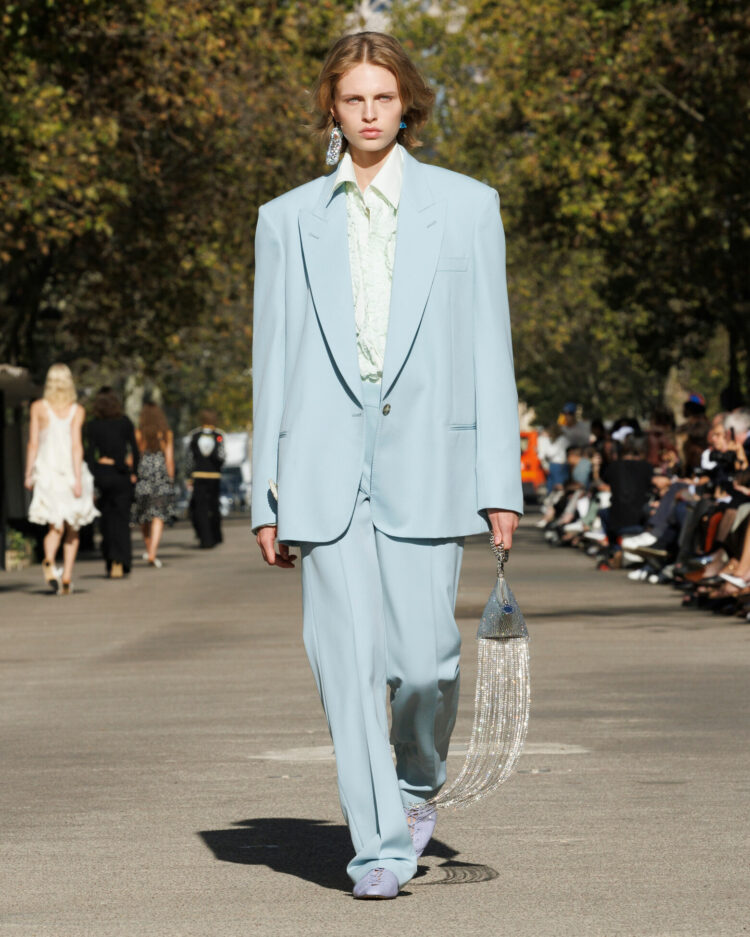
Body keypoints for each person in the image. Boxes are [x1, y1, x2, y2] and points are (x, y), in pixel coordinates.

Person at [251, 32, 522, 899]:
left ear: (407, 103)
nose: (369, 114)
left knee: (426, 664)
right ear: (331, 109)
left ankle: (412, 786)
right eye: (352, 100)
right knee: (348, 668)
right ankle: (377, 848)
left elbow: (490, 349)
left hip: (429, 469)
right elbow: (274, 355)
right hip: (324, 474)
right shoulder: (287, 218)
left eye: (383, 98)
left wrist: (499, 483)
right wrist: (265, 489)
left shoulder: (468, 207)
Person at [24, 364, 99, 594]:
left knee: (54, 527)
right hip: (68, 473)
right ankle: (66, 576)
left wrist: (29, 473)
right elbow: (77, 446)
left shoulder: (38, 408)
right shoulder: (77, 410)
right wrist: (78, 479)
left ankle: (48, 560)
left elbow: (33, 443)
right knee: (72, 529)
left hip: (47, 472)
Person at [85, 387, 139, 578]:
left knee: (107, 521)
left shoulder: (94, 425)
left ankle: (111, 558)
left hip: (103, 475)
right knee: (122, 521)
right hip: (121, 475)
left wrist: (93, 475)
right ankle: (122, 559)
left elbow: (89, 454)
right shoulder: (124, 422)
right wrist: (134, 473)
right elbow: (135, 449)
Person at [133, 402, 175, 568]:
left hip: (143, 478)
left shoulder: (139, 434)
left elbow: (135, 457)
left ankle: (149, 547)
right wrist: (170, 479)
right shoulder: (166, 434)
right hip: (160, 479)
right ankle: (153, 552)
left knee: (144, 517)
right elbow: (169, 460)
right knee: (158, 517)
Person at [186, 409, 225, 548]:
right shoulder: (218, 435)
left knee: (200, 509)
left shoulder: (194, 435)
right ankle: (216, 536)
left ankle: (204, 538)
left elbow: (190, 459)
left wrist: (189, 476)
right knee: (214, 507)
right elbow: (221, 456)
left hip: (199, 476)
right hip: (214, 476)